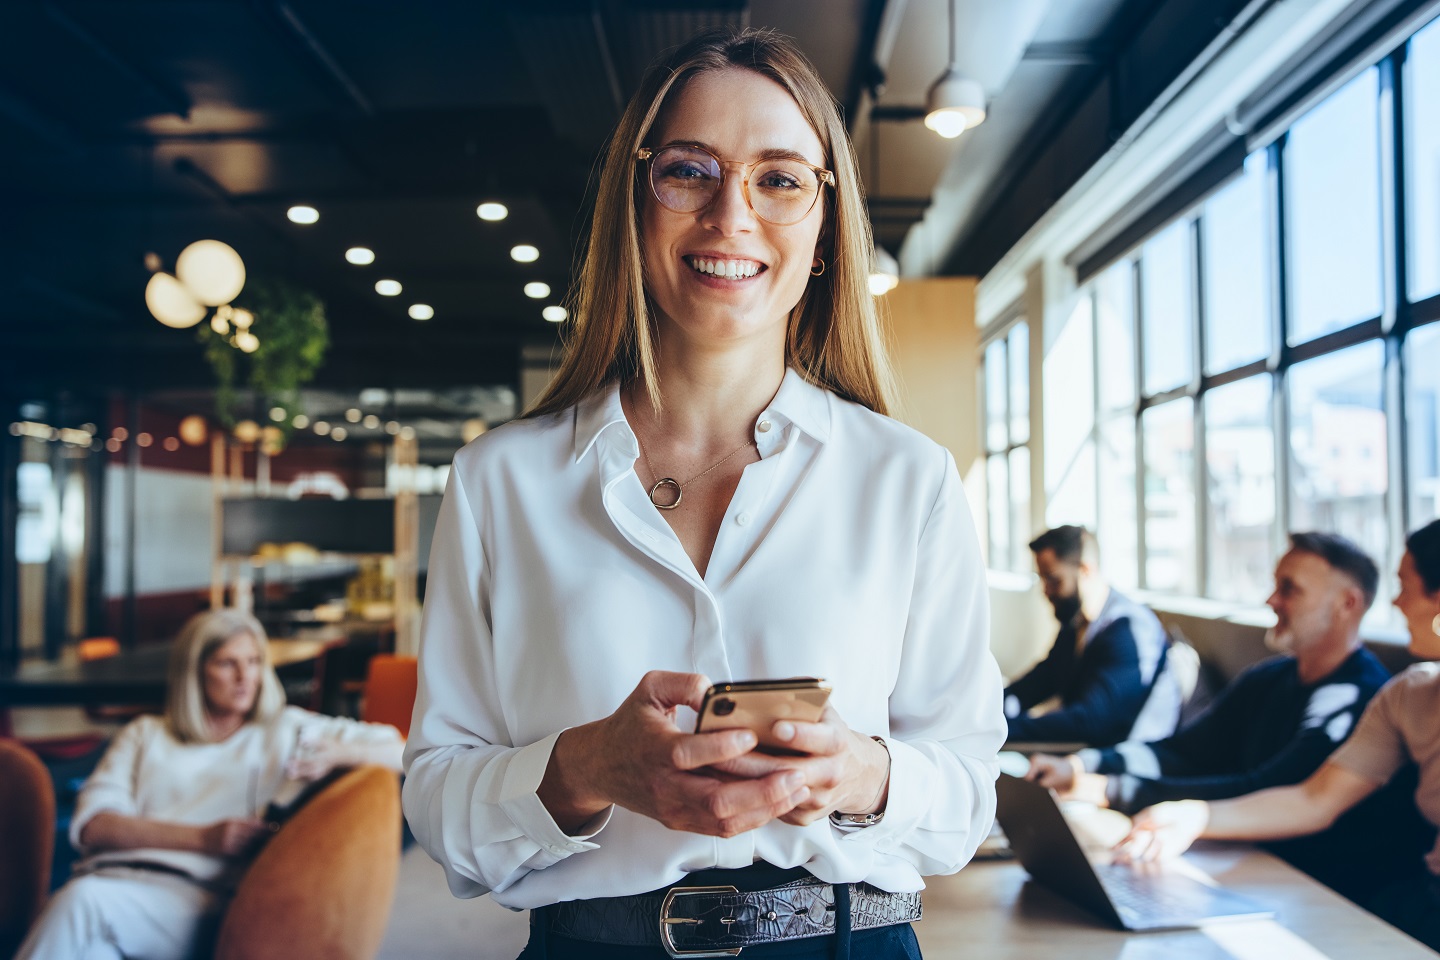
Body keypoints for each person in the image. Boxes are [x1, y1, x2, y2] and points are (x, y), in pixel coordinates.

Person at [402, 27, 1004, 960]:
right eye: (689, 170)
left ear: (823, 226)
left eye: (779, 178)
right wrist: (585, 768)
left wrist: (858, 774)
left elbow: (966, 794)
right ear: (635, 202)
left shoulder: (908, 478)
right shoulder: (499, 482)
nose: (732, 215)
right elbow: (438, 800)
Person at [1026, 532, 1416, 899]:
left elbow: (1270, 789)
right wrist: (1084, 764)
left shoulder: (1355, 698)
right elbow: (1184, 751)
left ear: (1347, 604)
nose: (1271, 601)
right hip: (1241, 866)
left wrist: (1111, 788)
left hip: (1320, 892)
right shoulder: (1268, 677)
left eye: (1289, 589)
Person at [1119, 519, 1440, 948]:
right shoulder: (1407, 695)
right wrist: (1195, 815)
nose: (1396, 602)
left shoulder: (1356, 689)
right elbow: (1313, 799)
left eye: (1405, 585)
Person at [16, 609, 405, 960]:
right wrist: (204, 839)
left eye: (254, 662)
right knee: (93, 948)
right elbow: (92, 826)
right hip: (113, 885)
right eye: (227, 663)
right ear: (196, 671)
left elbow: (400, 749)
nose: (245, 677)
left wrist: (336, 752)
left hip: (194, 901)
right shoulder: (144, 734)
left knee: (83, 904)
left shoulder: (285, 729)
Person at [1004, 525, 1173, 746]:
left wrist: (1006, 729)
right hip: (1091, 754)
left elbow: (1091, 721)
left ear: (1085, 570)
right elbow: (1041, 680)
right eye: (1042, 580)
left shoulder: (1129, 630)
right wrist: (994, 706)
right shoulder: (1076, 625)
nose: (1045, 591)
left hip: (1129, 762)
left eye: (1053, 580)